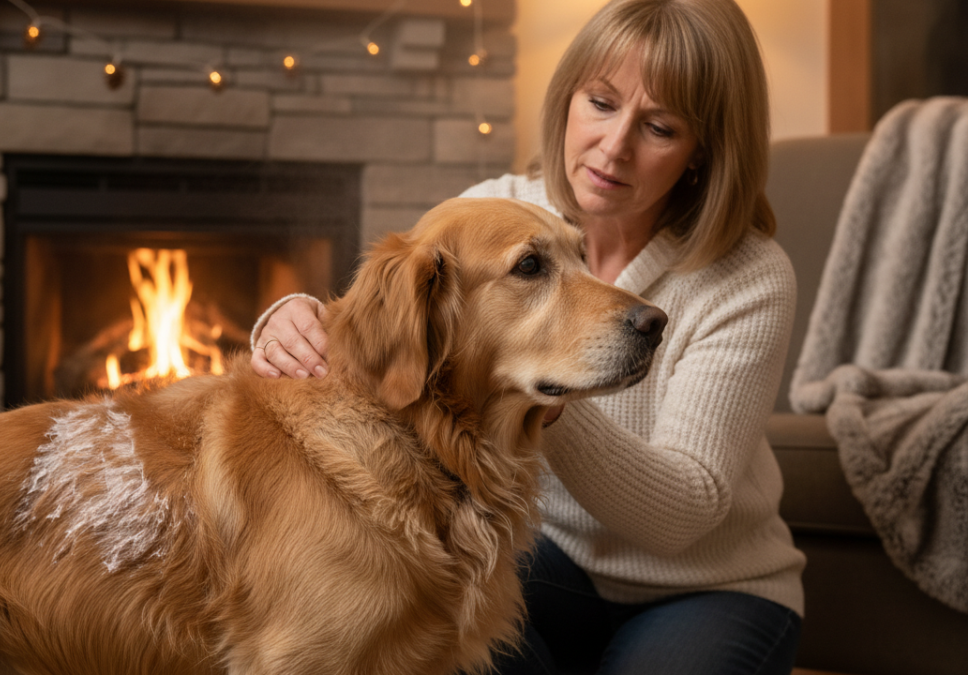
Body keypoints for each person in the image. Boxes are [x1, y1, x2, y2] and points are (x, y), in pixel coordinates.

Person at [249, 0, 806, 673]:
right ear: (568, 97)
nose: (614, 144)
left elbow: (681, 515)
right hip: (542, 557)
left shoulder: (750, 277)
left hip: (706, 587)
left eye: (658, 126)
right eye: (600, 102)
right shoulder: (500, 207)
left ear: (701, 152)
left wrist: (545, 389)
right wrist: (292, 315)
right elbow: (396, 328)